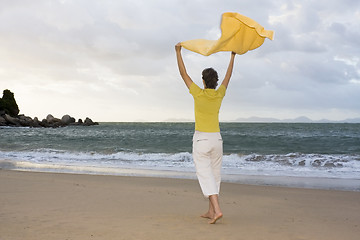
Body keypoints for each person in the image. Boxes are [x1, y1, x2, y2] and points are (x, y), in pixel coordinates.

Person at [175, 42, 236, 224]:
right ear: (216, 82)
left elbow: (183, 73)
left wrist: (178, 52)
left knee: (205, 174)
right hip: (217, 139)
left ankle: (217, 209)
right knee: (215, 175)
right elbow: (229, 76)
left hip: (201, 139)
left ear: (203, 81)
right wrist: (232, 56)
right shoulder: (219, 94)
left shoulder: (197, 93)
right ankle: (210, 211)